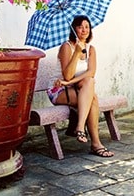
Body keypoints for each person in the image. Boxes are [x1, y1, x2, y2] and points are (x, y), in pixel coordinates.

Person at [48, 15, 114, 157]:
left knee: (89, 81)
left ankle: (79, 127)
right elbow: (67, 75)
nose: (84, 30)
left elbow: (91, 72)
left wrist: (69, 83)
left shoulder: (91, 49)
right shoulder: (67, 47)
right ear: (74, 29)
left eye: (87, 27)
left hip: (74, 87)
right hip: (59, 90)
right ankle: (95, 143)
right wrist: (76, 53)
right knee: (93, 99)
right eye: (80, 27)